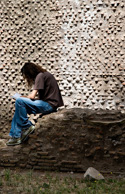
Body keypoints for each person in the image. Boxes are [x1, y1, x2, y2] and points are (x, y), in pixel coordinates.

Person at [6, 62, 64, 146]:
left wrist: (21, 97)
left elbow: (32, 96)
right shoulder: (44, 75)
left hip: (49, 105)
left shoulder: (40, 76)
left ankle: (26, 127)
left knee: (19, 101)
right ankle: (15, 136)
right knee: (19, 109)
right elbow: (40, 99)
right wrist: (24, 97)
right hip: (48, 104)